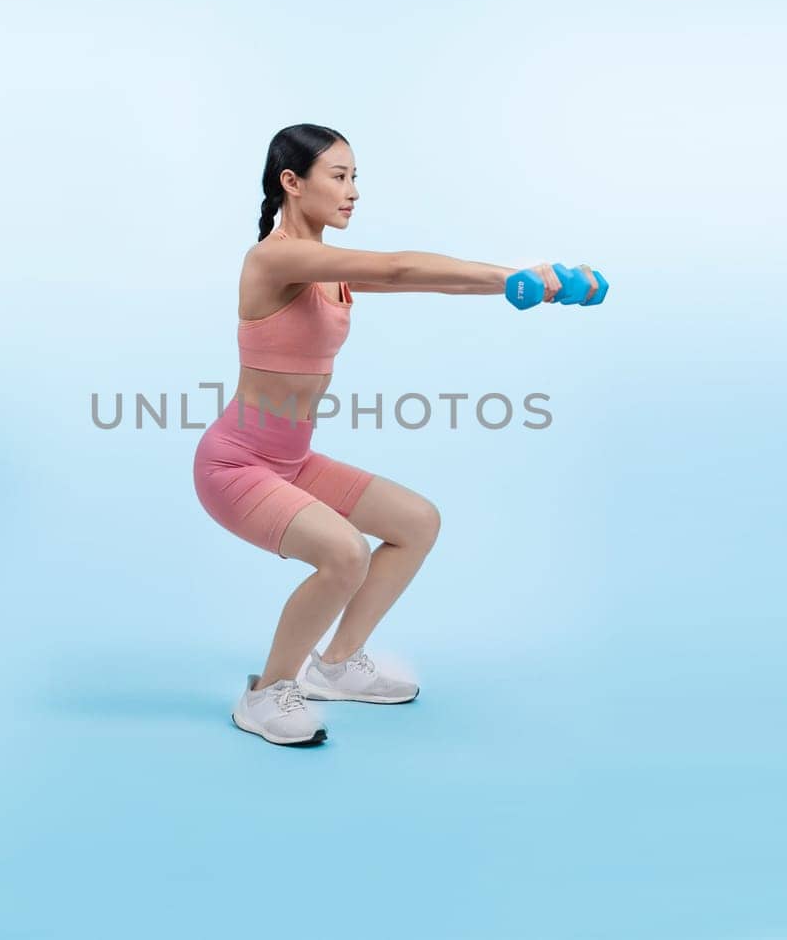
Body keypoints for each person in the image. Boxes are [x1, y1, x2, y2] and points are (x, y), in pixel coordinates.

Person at [193, 123, 599, 747]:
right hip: (236, 465)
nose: (352, 191)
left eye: (356, 177)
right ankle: (266, 693)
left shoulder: (331, 269)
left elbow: (417, 277)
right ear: (292, 184)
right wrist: (519, 272)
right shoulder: (275, 259)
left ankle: (335, 666)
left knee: (417, 522)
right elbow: (399, 264)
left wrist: (522, 282)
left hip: (289, 460)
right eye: (339, 176)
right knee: (345, 552)